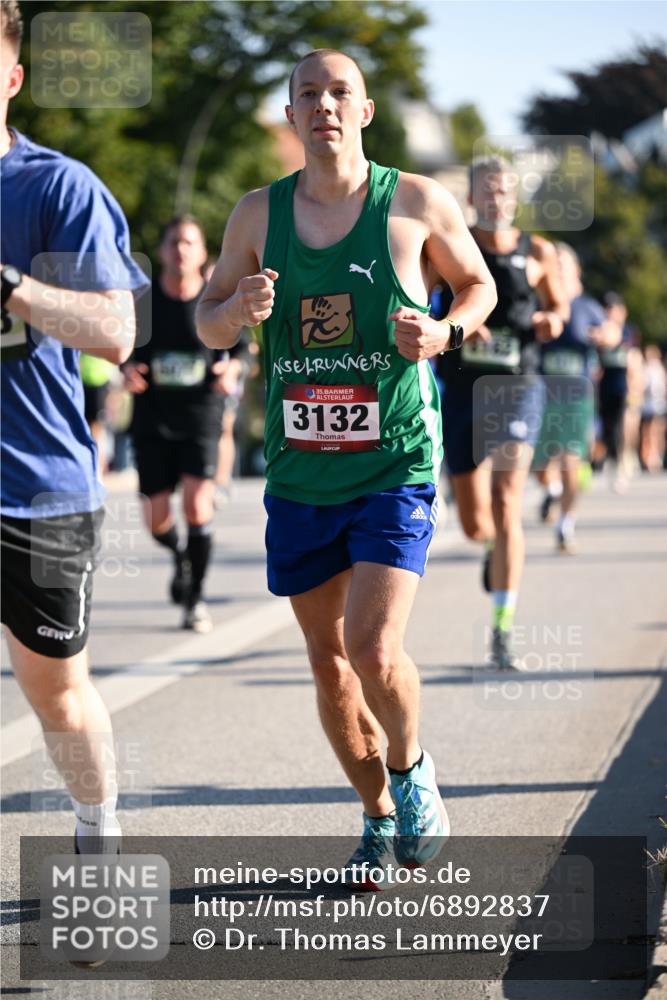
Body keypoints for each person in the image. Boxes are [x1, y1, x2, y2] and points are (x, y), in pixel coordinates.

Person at [197, 49, 497, 887]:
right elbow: (206, 319)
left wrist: (444, 333)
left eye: (339, 93)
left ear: (363, 112)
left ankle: (411, 772)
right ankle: (373, 816)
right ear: (290, 117)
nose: (323, 105)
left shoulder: (414, 202)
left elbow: (477, 286)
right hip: (298, 476)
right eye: (307, 95)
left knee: (370, 648)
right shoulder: (257, 214)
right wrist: (233, 310)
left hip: (391, 464)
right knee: (328, 668)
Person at [0, 0, 148, 855]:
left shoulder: (57, 187)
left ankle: (96, 828)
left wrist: (13, 287)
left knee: (56, 693)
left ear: (12, 81)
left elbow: (113, 330)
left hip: (37, 490)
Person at [434, 156, 569, 669]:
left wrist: (550, 318)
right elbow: (424, 297)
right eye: (487, 191)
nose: (497, 199)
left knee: (508, 498)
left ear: (515, 198)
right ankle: (491, 549)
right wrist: (459, 321)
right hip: (465, 389)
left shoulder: (538, 250)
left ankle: (501, 630)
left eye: (505, 191)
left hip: (519, 386)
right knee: (476, 523)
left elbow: (559, 304)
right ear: (472, 198)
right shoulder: (453, 244)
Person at [122, 216, 246, 633]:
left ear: (202, 253)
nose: (181, 250)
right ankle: (179, 557)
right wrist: (126, 368)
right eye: (174, 242)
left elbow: (242, 350)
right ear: (161, 252)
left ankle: (195, 599)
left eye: (189, 242)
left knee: (196, 506)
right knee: (156, 521)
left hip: (200, 415)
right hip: (153, 417)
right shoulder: (143, 302)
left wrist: (234, 371)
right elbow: (119, 347)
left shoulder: (214, 301)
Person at [533, 244, 622, 552]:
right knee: (539, 465)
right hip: (540, 394)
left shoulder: (587, 306)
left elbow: (612, 333)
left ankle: (565, 525)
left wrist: (605, 337)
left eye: (562, 263)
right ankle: (553, 491)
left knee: (571, 459)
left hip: (576, 398)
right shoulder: (540, 300)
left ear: (576, 271)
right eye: (552, 263)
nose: (556, 268)